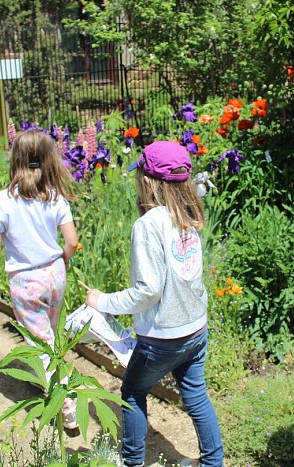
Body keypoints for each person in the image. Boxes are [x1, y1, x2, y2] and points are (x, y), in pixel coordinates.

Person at [85, 140, 224, 467]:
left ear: (147, 181)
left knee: (132, 393)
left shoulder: (148, 225)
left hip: (162, 336)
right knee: (196, 395)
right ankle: (212, 463)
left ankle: (133, 462)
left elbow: (147, 292)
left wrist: (101, 300)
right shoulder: (190, 215)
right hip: (195, 329)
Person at [0, 129, 80, 430]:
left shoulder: (0, 201)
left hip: (25, 280)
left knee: (40, 340)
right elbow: (71, 241)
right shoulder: (55, 198)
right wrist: (59, 261)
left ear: (15, 160)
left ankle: (66, 402)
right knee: (51, 334)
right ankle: (50, 380)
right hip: (55, 273)